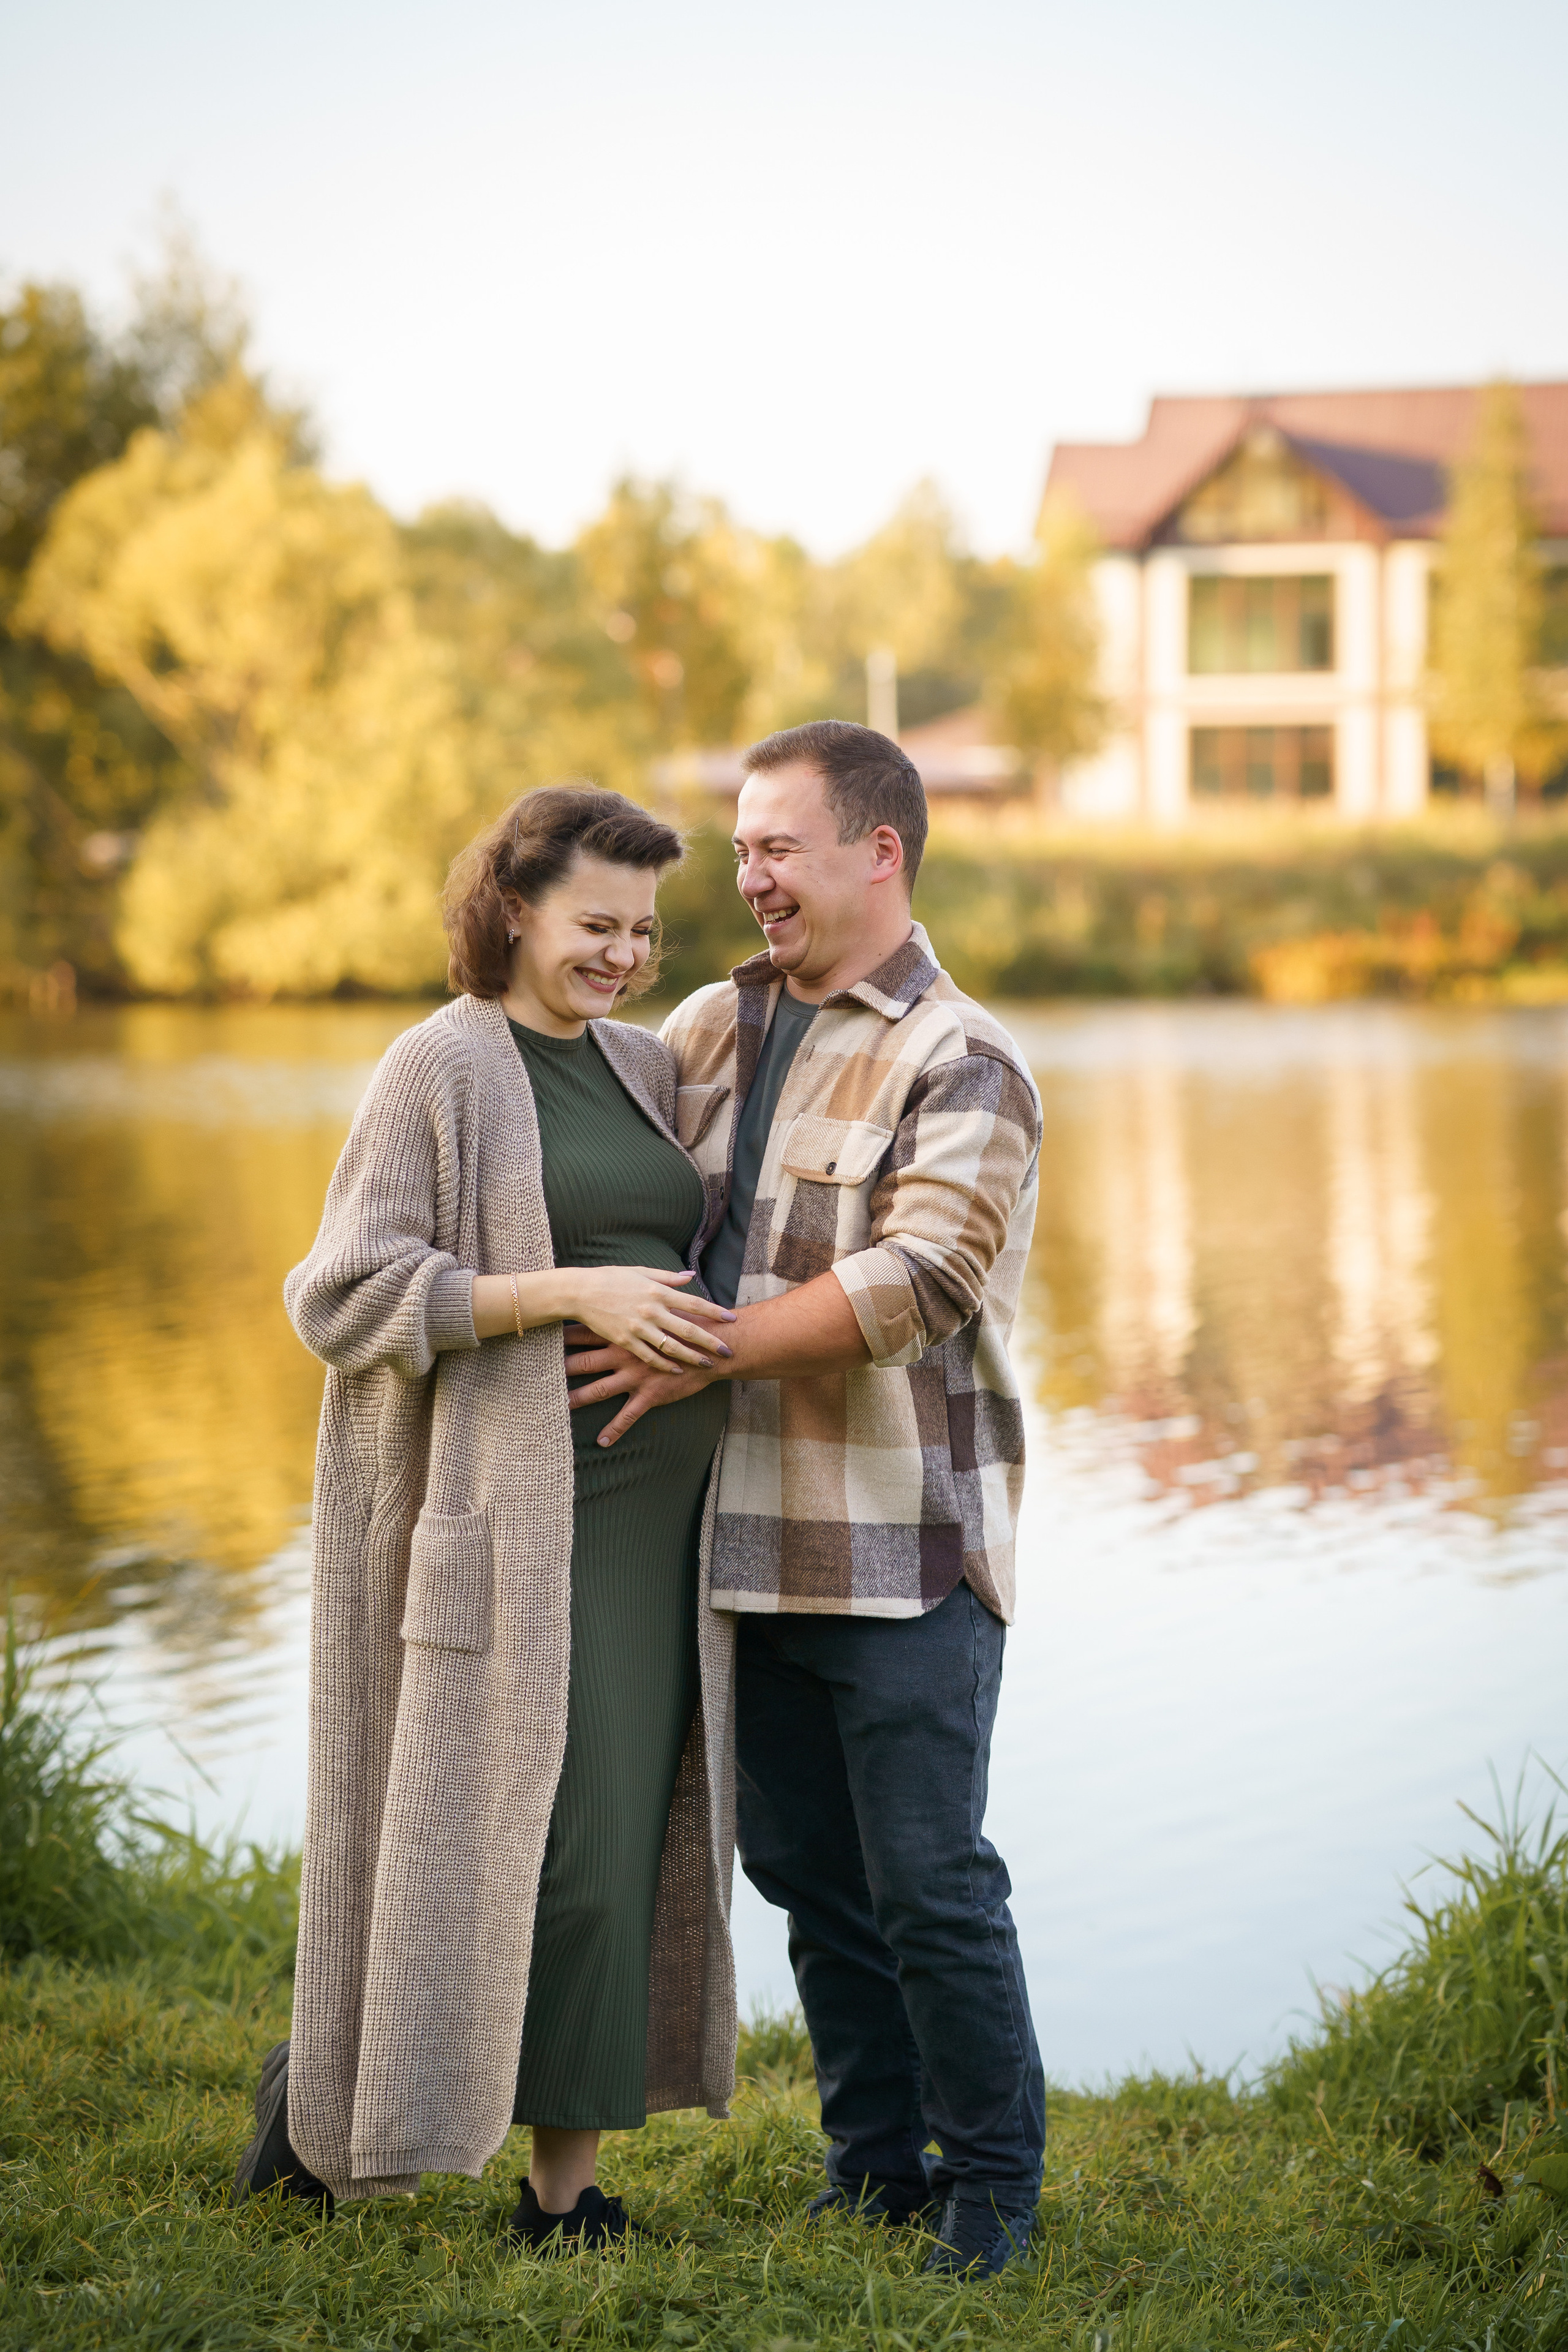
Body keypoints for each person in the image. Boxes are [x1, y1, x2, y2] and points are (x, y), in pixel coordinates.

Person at [563, 720, 1047, 2277]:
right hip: (736, 1546)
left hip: (902, 1548)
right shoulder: (707, 1024)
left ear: (878, 850)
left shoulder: (963, 1058)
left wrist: (692, 1353)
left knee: (931, 1888)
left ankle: (989, 2194)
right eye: (743, 845)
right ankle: (872, 2167)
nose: (748, 875)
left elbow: (914, 1282)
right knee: (806, 1881)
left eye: (776, 845)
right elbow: (570, 1120)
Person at [232, 785, 741, 2250]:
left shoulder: (644, 1066)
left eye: (643, 931)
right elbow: (339, 1293)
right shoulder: (438, 1068)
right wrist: (564, 1295)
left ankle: (565, 2198)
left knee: (623, 1842)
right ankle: (329, 2110)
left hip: (654, 1534)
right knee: (532, 1847)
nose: (623, 956)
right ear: (511, 906)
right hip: (516, 1527)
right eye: (595, 924)